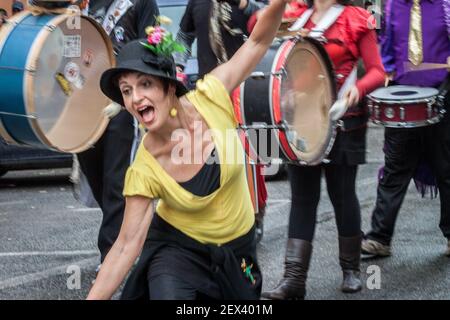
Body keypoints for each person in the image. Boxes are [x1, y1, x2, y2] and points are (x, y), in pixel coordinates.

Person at [87, 0, 292, 300]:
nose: (134, 98)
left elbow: (259, 40)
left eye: (145, 84)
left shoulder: (212, 95)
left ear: (169, 86)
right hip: (177, 253)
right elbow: (125, 246)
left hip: (238, 253)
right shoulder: (146, 166)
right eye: (127, 90)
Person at [262, 0, 385, 300]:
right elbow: (257, 29)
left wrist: (359, 89)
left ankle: (352, 270)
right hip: (301, 122)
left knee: (342, 196)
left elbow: (378, 72)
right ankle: (294, 280)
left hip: (344, 119)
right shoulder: (293, 14)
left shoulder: (357, 19)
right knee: (302, 199)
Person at [174, 0, 269, 242]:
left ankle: (255, 215)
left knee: (250, 155)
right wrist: (177, 65)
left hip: (244, 87)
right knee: (214, 155)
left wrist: (246, 6)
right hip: (209, 91)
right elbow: (184, 35)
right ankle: (218, 218)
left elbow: (267, 20)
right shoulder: (197, 2)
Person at [362, 0, 450, 258]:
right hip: (403, 99)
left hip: (443, 95)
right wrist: (386, 72)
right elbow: (387, 50)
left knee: (447, 169)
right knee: (395, 169)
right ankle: (379, 237)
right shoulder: (392, 6)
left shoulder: (445, 6)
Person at [75, 0, 159, 264]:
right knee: (95, 175)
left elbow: (151, 47)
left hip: (120, 101)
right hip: (83, 102)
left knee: (115, 181)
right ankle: (129, 234)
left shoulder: (139, 3)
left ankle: (111, 256)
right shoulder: (81, 4)